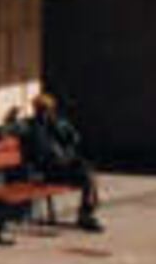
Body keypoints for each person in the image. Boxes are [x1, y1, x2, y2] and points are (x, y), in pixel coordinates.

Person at [18, 90, 103, 231]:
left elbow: (75, 138)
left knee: (87, 172)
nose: (44, 113)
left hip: (61, 167)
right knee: (87, 174)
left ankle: (86, 213)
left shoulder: (55, 124)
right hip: (48, 171)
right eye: (41, 110)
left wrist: (61, 126)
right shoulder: (30, 125)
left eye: (47, 110)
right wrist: (4, 128)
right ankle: (86, 215)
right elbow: (12, 128)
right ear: (36, 110)